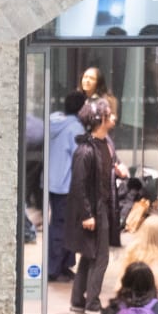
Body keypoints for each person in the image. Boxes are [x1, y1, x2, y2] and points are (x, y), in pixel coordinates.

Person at [70, 98, 122, 314]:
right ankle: (91, 303)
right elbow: (79, 185)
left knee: (89, 255)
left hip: (101, 206)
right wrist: (87, 214)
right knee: (100, 257)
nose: (113, 117)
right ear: (100, 119)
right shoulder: (86, 150)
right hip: (95, 209)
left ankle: (78, 301)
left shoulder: (104, 144)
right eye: (109, 114)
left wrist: (116, 169)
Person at [47, 91, 89, 280]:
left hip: (51, 181)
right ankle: (55, 269)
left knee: (60, 224)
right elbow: (81, 158)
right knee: (63, 226)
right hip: (66, 184)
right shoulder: (76, 129)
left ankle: (62, 265)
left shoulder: (53, 121)